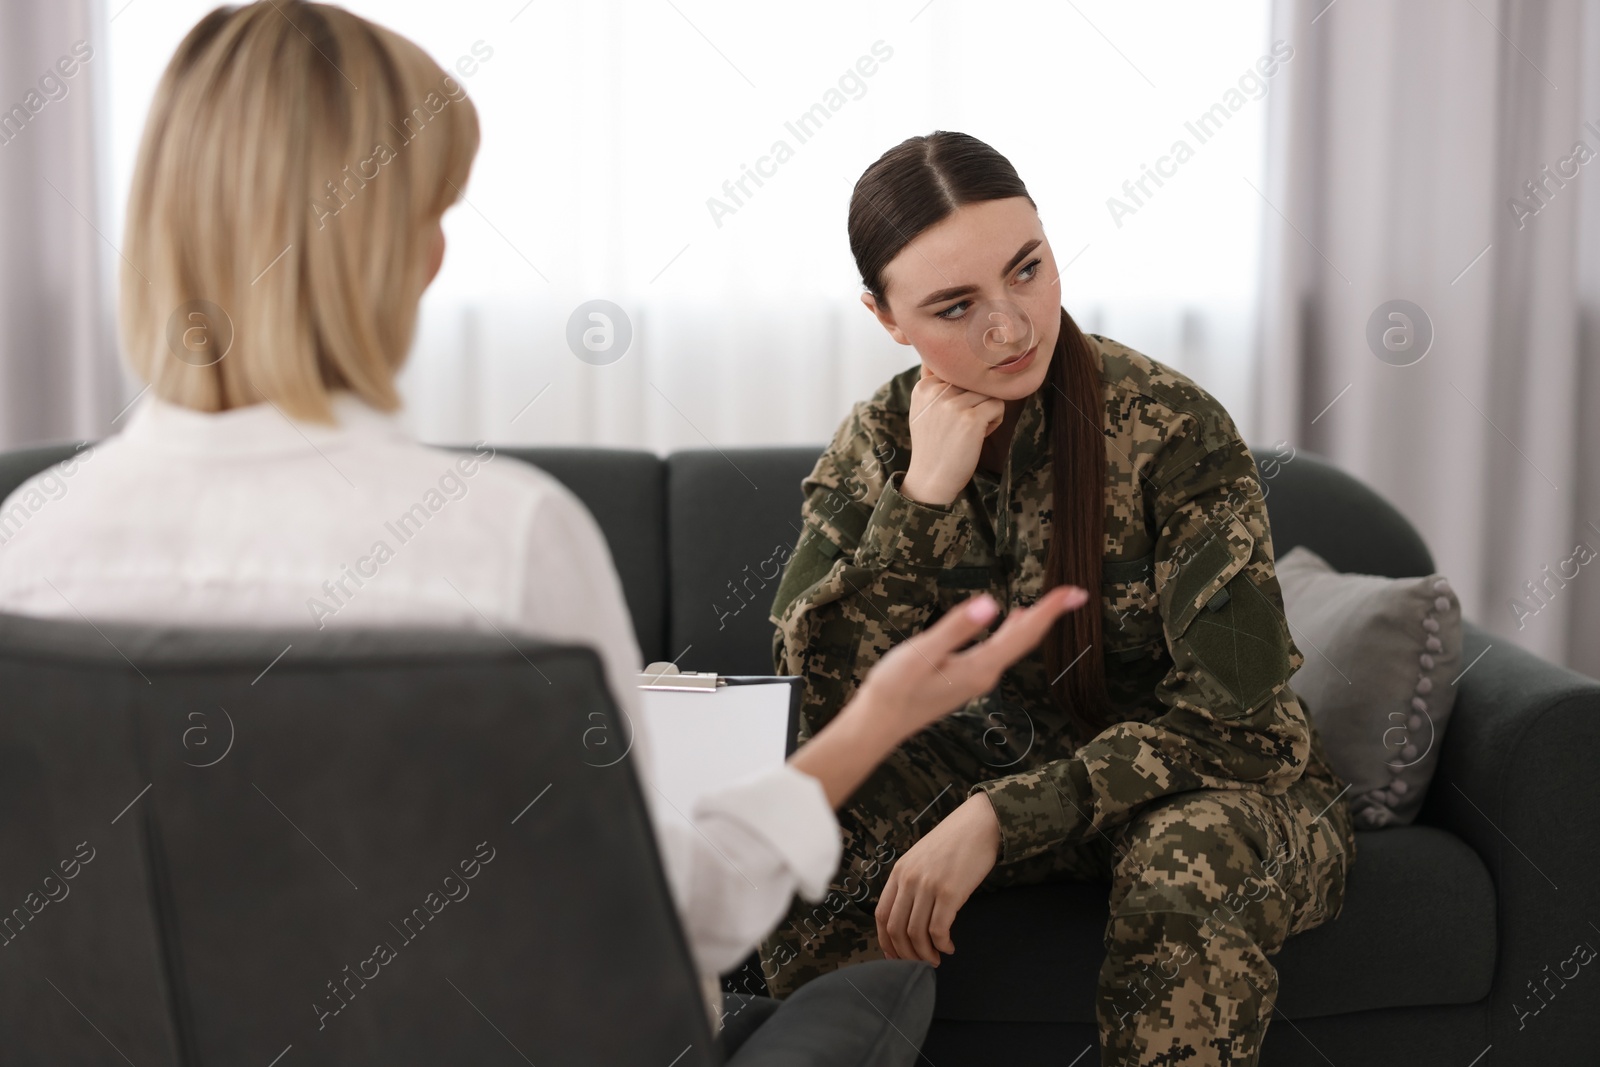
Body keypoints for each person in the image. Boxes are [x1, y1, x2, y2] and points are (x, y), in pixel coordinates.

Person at [0, 12, 1089, 1064]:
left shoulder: (29, 541)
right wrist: (879, 717)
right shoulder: (499, 539)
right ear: (394, 253)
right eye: (432, 213)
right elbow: (666, 923)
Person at [758, 131, 1357, 1067]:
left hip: (1210, 790)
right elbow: (817, 717)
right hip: (982, 778)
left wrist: (1002, 816)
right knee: (802, 829)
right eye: (955, 306)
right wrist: (920, 500)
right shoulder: (875, 448)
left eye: (1027, 270)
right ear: (886, 318)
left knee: (1184, 859)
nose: (1012, 327)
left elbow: (1241, 721)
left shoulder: (1172, 429)